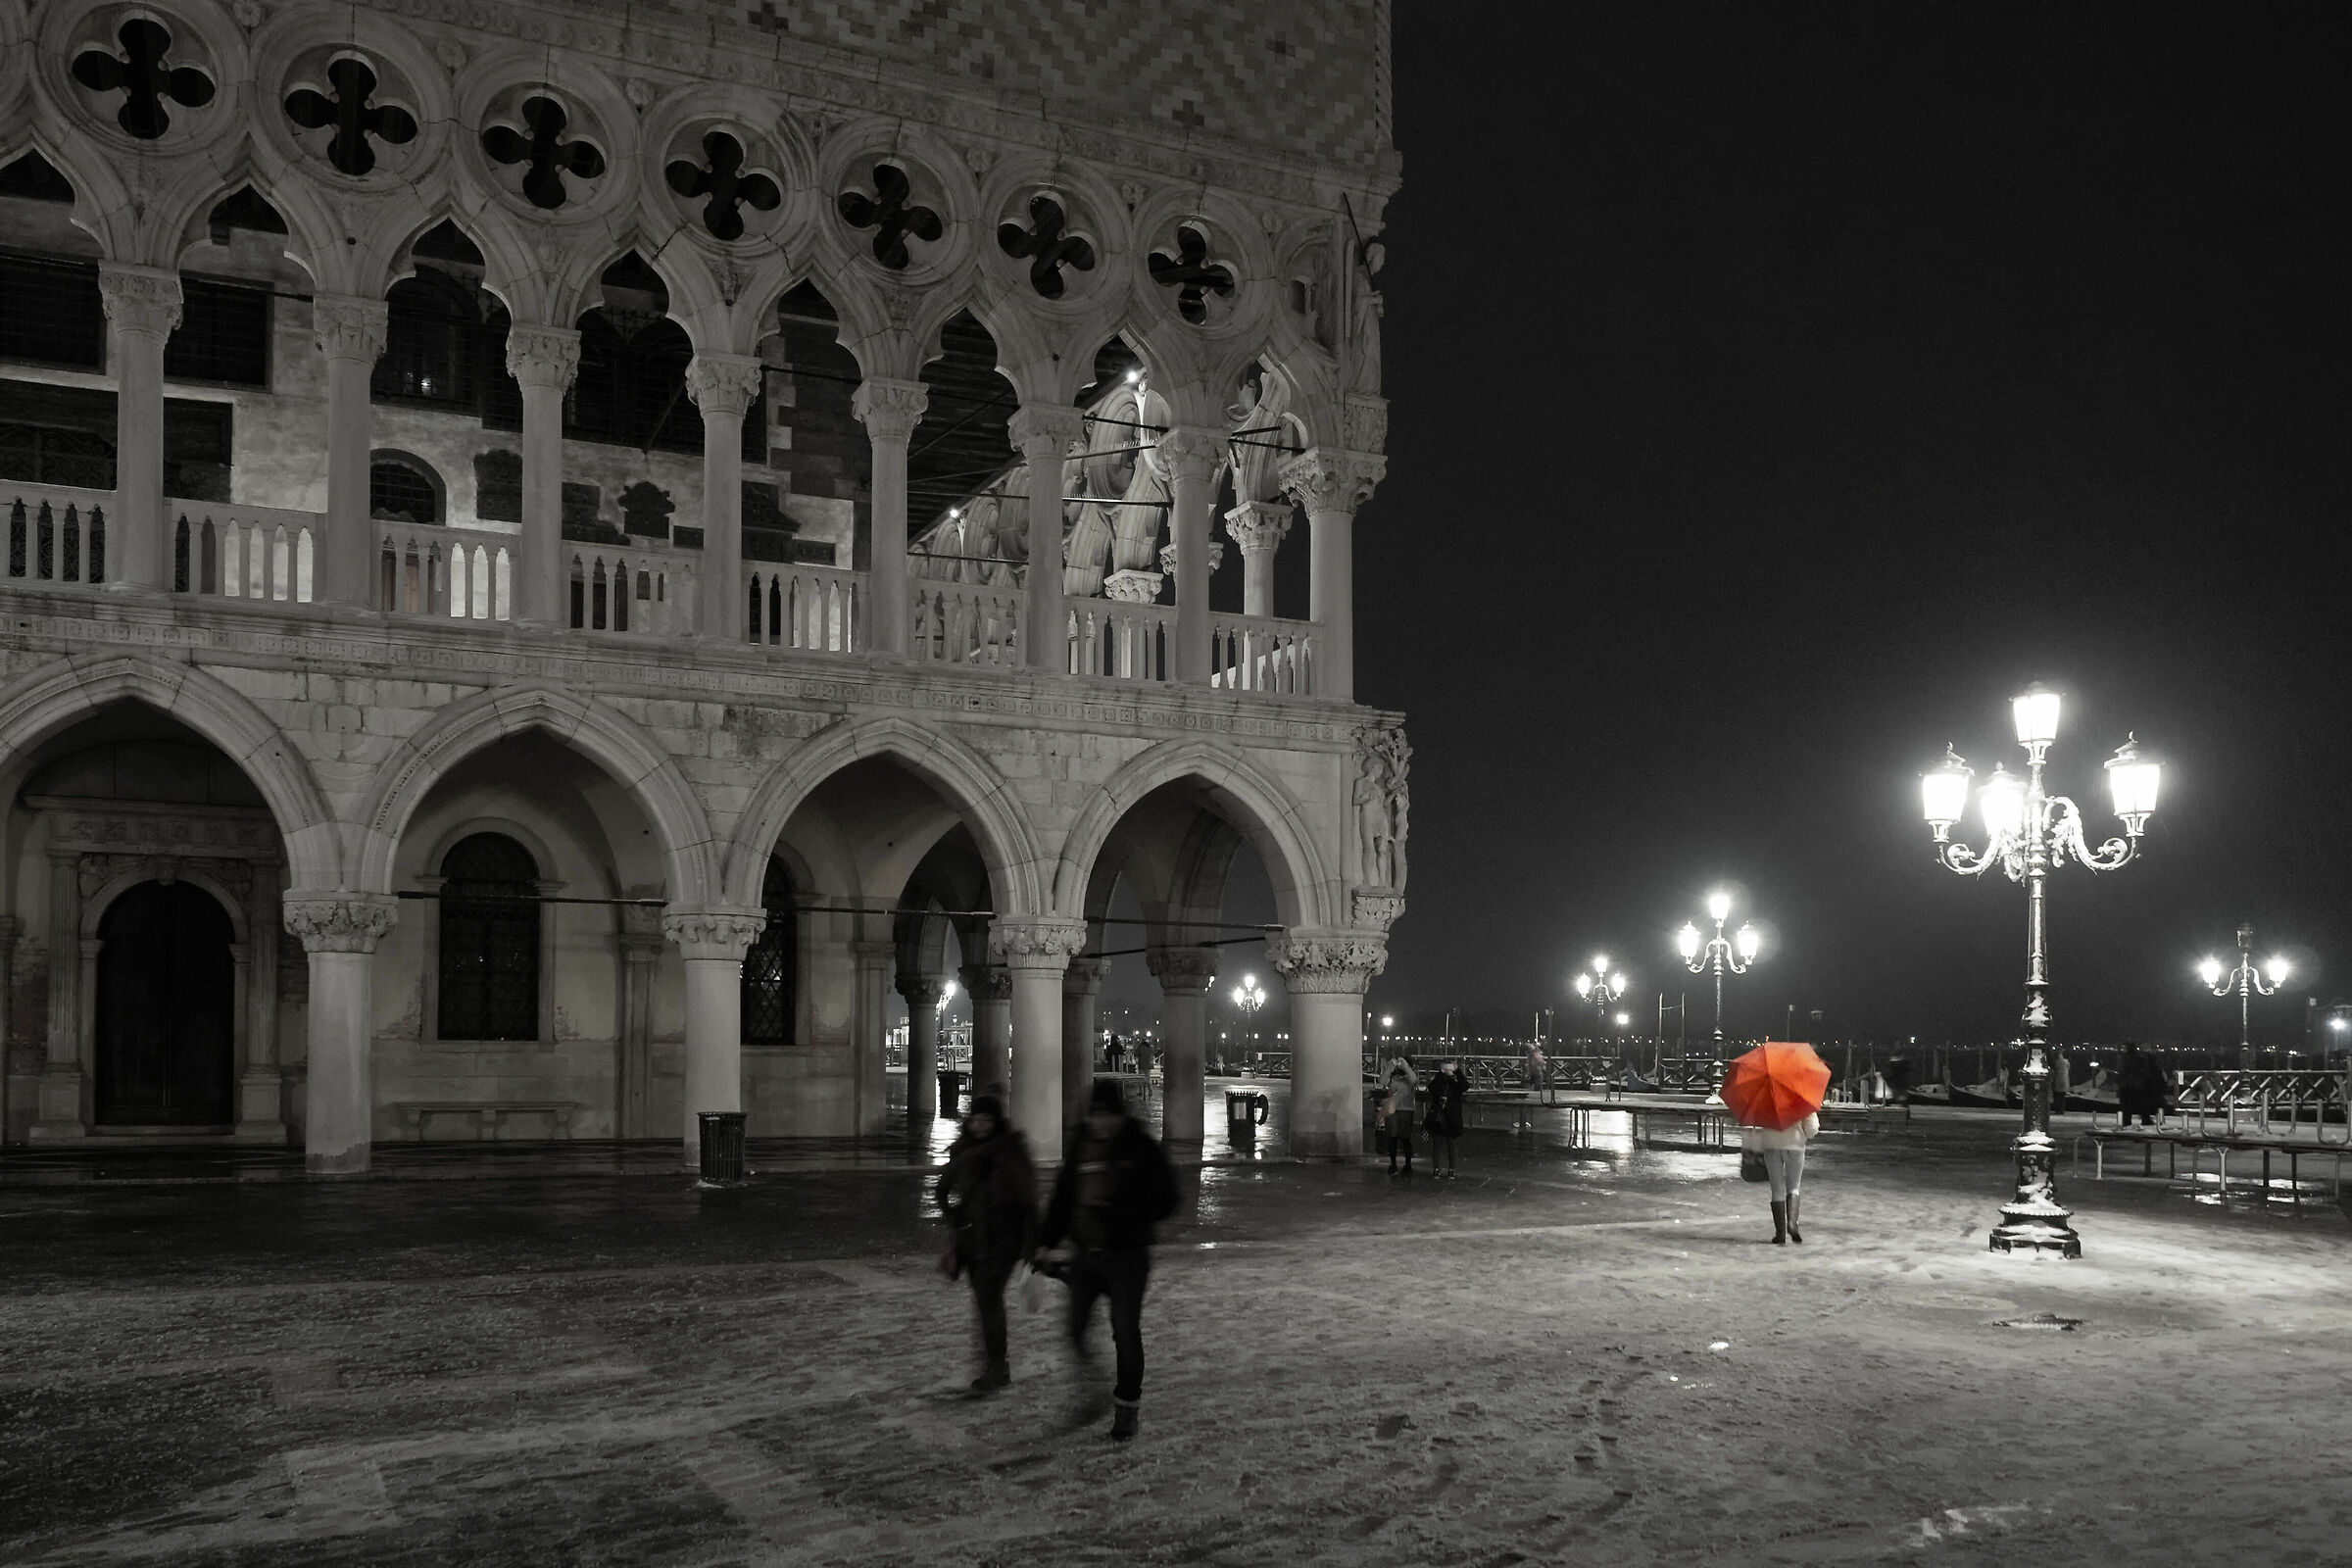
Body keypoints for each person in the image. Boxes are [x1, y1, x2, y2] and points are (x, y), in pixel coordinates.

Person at [1036, 1078, 1177, 1442]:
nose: (1102, 1122)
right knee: (1075, 1328)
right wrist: (1044, 1242)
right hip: (1087, 1254)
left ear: (1120, 1115)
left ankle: (1126, 1409)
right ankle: (1094, 1389)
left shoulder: (1141, 1148)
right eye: (1096, 1115)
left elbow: (1168, 1199)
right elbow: (1062, 1201)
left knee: (1125, 1333)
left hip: (1127, 1256)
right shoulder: (1081, 1148)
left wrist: (1124, 1213)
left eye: (1108, 1115)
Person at [935, 1095, 1037, 1394]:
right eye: (975, 1118)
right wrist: (954, 1217)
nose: (979, 1125)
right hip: (974, 1239)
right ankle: (994, 1363)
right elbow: (943, 1189)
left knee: (989, 1298)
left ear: (996, 1122)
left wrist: (1031, 1244)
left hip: (1003, 1239)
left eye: (986, 1119)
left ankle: (996, 1366)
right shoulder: (964, 1151)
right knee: (984, 1301)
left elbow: (1028, 1201)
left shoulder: (1010, 1153)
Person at [1740, 1111, 1818, 1244]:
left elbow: (1757, 1121)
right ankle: (1792, 1225)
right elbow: (1812, 1128)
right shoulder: (1801, 1097)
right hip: (1795, 1145)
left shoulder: (1766, 1098)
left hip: (1771, 1144)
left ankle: (1780, 1233)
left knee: (1776, 1190)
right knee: (1794, 1187)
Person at [1379, 1054, 1421, 1176]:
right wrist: (1389, 1067)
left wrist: (1406, 1067)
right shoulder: (1393, 1078)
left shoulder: (1410, 1077)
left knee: (1406, 1139)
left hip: (1407, 1110)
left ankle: (1408, 1165)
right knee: (1392, 1138)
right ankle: (1393, 1164)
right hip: (1393, 1110)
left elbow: (1415, 1081)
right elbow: (1382, 1081)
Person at [1425, 1059, 1467, 1176]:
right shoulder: (1440, 1082)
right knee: (1441, 1145)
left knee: (1448, 1146)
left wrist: (1457, 1071)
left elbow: (1464, 1086)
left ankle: (1448, 1169)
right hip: (1442, 1117)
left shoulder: (1455, 1084)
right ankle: (1439, 1169)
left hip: (1448, 1118)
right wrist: (1442, 1073)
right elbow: (1432, 1088)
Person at [2117, 1041, 2166, 1128]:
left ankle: (2127, 1122)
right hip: (2137, 1085)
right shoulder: (2139, 1058)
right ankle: (2146, 1120)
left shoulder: (2123, 1058)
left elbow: (2121, 1072)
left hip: (2126, 1086)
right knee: (2142, 1105)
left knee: (2126, 1107)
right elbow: (2143, 1071)